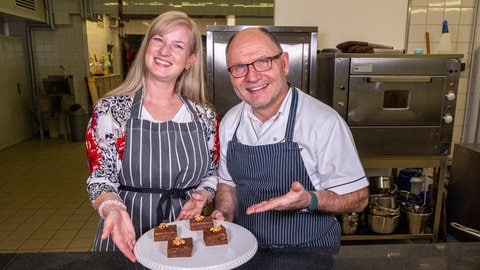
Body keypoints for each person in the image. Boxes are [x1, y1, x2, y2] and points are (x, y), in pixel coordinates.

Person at [211, 27, 369, 248]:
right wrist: (225, 212)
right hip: (244, 250)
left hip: (308, 253)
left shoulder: (323, 123)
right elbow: (227, 185)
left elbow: (358, 198)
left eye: (263, 61)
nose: (252, 76)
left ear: (284, 63)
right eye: (239, 68)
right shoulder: (231, 121)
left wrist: (310, 199)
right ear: (230, 76)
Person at [85, 11, 219, 262]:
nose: (165, 51)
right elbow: (100, 177)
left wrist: (204, 195)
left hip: (187, 235)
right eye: (159, 40)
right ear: (147, 46)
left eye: (177, 45)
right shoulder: (112, 110)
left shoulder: (204, 115)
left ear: (190, 60)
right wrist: (111, 209)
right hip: (126, 232)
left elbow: (213, 171)